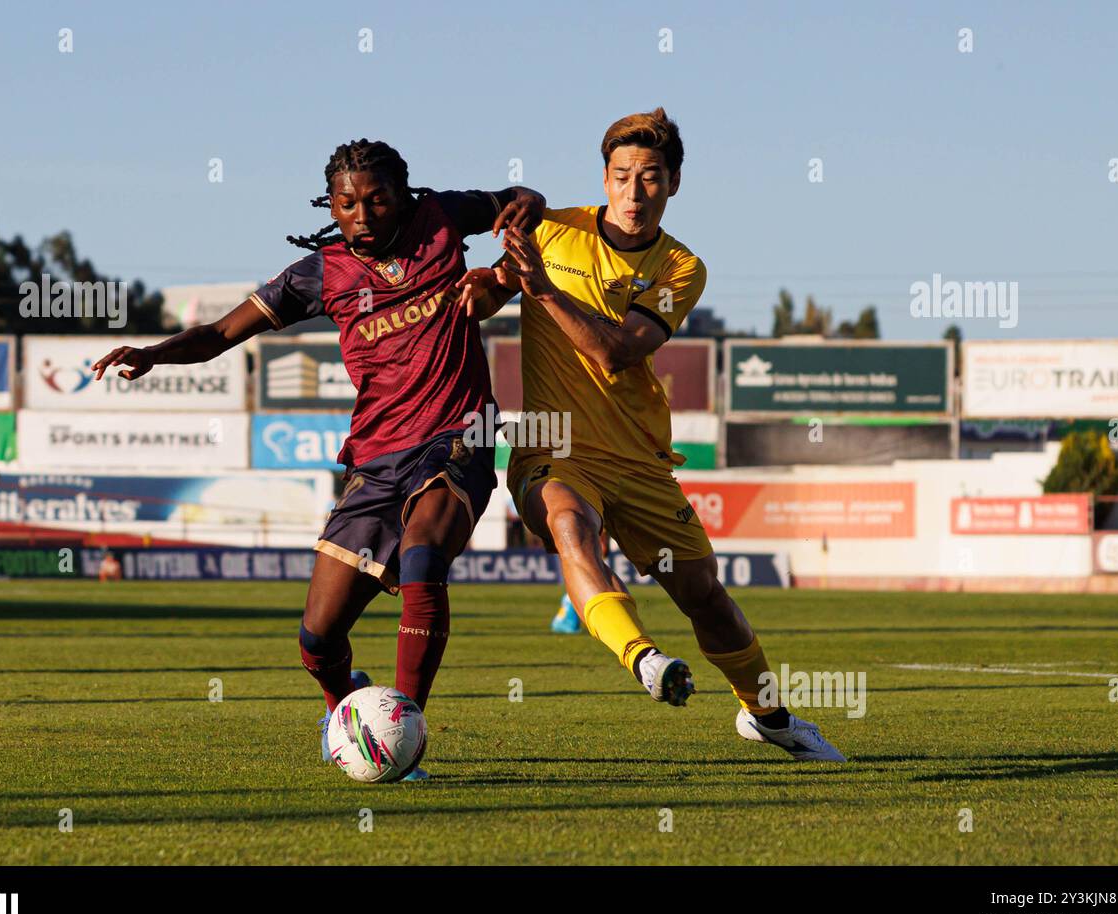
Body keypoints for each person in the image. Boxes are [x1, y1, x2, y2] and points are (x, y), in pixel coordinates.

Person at [93, 140, 544, 780]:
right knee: (316, 640)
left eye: (377, 198)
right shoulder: (320, 271)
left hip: (456, 434)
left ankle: (401, 732)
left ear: (404, 196)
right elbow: (222, 334)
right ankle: (346, 716)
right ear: (330, 205)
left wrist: (499, 273)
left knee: (422, 563)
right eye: (347, 202)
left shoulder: (443, 217)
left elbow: (528, 202)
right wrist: (154, 352)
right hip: (377, 459)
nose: (362, 212)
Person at [461, 109, 844, 761]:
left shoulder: (681, 268)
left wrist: (544, 290)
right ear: (604, 178)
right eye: (622, 176)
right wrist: (477, 286)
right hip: (552, 449)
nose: (635, 192)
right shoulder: (553, 232)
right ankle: (641, 657)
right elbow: (493, 293)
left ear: (674, 184)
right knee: (570, 528)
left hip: (638, 461)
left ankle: (769, 715)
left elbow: (618, 351)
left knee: (706, 597)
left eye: (651, 178)